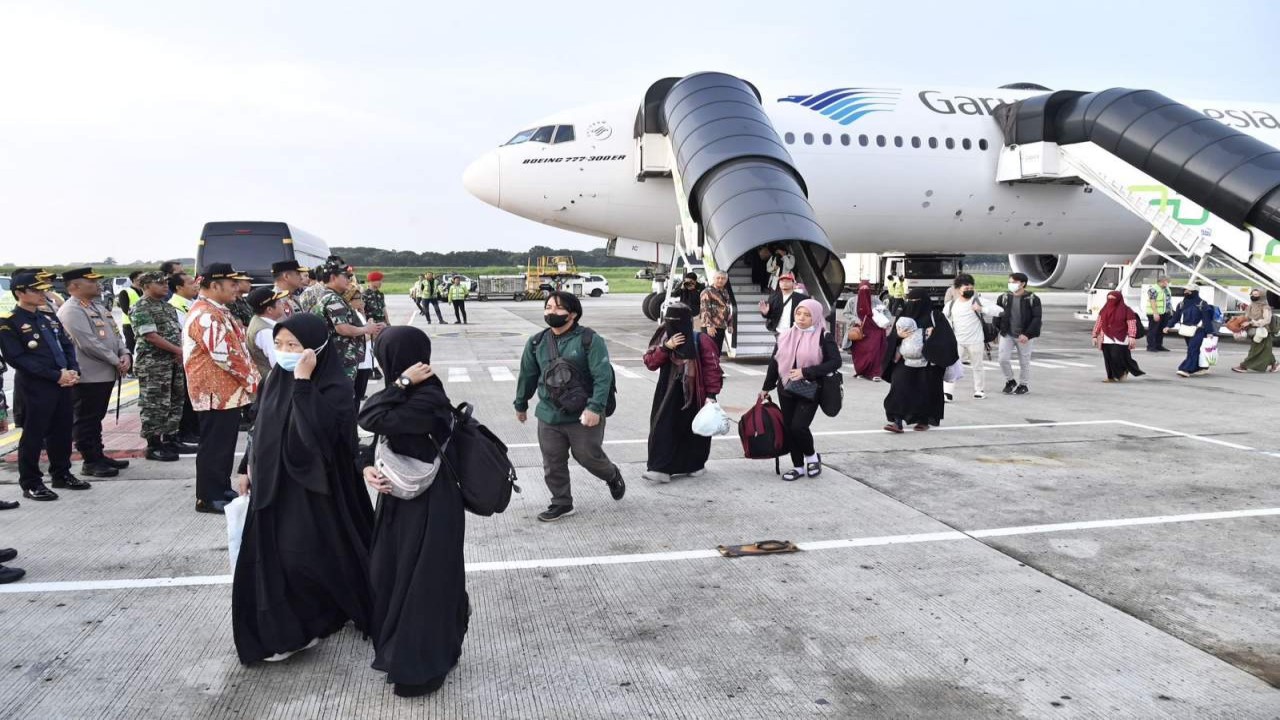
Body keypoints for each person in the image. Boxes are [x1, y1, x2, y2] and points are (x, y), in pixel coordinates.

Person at [232, 313, 373, 665]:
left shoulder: (333, 386)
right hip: (271, 484)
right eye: (279, 344)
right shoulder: (273, 380)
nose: (284, 352)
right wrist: (245, 466)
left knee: (307, 555)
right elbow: (260, 425)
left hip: (314, 487)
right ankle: (295, 628)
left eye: (293, 345)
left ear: (316, 346)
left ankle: (319, 616)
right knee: (279, 558)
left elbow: (317, 437)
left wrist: (303, 382)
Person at [358, 326, 469, 697]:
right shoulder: (405, 395)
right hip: (400, 498)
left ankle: (422, 665)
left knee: (425, 581)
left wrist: (401, 383)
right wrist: (367, 469)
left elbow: (369, 418)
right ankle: (405, 650)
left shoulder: (428, 397)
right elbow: (375, 438)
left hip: (430, 504)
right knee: (393, 574)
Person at [514, 291, 624, 522]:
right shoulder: (536, 343)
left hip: (584, 412)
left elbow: (602, 377)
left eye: (557, 308)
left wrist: (595, 408)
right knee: (552, 462)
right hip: (549, 414)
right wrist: (521, 404)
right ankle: (561, 503)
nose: (551, 311)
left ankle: (612, 474)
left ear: (572, 314)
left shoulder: (589, 340)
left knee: (587, 456)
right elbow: (527, 375)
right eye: (548, 307)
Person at [0, 270, 85, 500]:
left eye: (43, 289)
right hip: (35, 387)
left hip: (62, 383)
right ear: (19, 292)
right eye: (36, 290)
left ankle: (61, 473)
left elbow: (66, 345)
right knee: (33, 436)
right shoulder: (9, 322)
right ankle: (31, 482)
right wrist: (55, 375)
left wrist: (72, 370)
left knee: (62, 431)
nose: (42, 294)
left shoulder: (47, 316)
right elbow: (17, 358)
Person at [185, 263, 261, 513]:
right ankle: (208, 497)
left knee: (224, 444)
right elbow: (225, 354)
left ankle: (220, 488)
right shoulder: (206, 314)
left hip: (225, 392)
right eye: (231, 284)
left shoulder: (218, 310)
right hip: (213, 392)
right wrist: (253, 381)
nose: (236, 288)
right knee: (214, 446)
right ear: (214, 285)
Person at [57, 267, 132, 478]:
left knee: (96, 417)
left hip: (105, 373)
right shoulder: (72, 310)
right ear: (74, 287)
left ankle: (98, 454)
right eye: (91, 282)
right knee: (86, 419)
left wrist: (125, 353)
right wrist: (115, 360)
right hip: (88, 375)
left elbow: (115, 335)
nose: (97, 284)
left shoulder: (97, 306)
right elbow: (87, 343)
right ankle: (90, 460)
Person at [760, 298, 841, 481]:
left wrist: (807, 372)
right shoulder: (785, 335)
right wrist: (766, 387)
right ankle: (798, 467)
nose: (801, 318)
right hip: (786, 388)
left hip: (810, 389)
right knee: (789, 428)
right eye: (798, 313)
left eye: (807, 315)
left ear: (816, 316)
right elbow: (775, 362)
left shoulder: (823, 336)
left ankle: (812, 457)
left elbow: (835, 362)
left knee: (799, 427)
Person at [642, 303, 723, 483]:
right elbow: (650, 362)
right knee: (663, 428)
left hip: (696, 393)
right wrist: (666, 347)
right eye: (670, 320)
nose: (673, 325)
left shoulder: (701, 340)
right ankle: (659, 468)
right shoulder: (662, 337)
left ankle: (695, 465)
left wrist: (711, 395)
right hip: (668, 392)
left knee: (696, 431)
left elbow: (713, 368)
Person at [131, 272, 190, 461]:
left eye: (166, 282)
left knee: (174, 400)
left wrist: (179, 351)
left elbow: (177, 331)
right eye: (160, 283)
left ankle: (171, 438)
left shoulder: (166, 307)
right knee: (154, 404)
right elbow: (150, 336)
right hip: (153, 364)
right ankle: (153, 445)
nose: (165, 286)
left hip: (172, 362)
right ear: (146, 285)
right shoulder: (141, 307)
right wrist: (178, 351)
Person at [883, 288, 956, 433]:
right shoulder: (903, 315)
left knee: (925, 392)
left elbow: (947, 338)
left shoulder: (935, 316)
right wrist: (898, 336)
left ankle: (923, 420)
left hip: (929, 362)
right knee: (899, 389)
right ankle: (897, 422)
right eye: (910, 301)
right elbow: (892, 338)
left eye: (916, 302)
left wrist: (933, 335)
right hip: (905, 360)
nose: (912, 304)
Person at [313, 259, 383, 381]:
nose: (349, 280)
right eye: (346, 276)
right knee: (343, 394)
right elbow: (343, 329)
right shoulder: (333, 298)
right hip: (341, 357)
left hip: (338, 356)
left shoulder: (328, 295)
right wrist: (366, 329)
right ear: (333, 277)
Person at [943, 273, 989, 399]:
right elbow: (944, 316)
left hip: (975, 339)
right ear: (958, 289)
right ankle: (948, 392)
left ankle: (979, 390)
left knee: (977, 365)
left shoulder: (976, 298)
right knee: (951, 365)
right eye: (966, 288)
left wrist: (981, 309)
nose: (969, 290)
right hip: (958, 338)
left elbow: (994, 310)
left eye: (971, 288)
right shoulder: (951, 301)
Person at [995, 272, 1042, 395]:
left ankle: (1023, 384)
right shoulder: (1003, 298)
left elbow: (1037, 318)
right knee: (1002, 359)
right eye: (1010, 282)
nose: (1011, 284)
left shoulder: (1033, 299)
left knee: (1024, 361)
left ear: (1023, 284)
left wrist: (1027, 334)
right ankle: (1010, 380)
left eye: (1014, 282)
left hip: (1024, 336)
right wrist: (996, 332)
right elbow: (997, 315)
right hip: (1007, 334)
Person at [1092, 291, 1145, 382]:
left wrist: (1132, 336)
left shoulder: (1127, 310)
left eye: (1113, 298)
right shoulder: (1104, 309)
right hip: (1106, 337)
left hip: (1121, 337)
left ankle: (1122, 371)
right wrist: (1094, 335)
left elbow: (1131, 323)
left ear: (1119, 299)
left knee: (1116, 356)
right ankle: (1111, 377)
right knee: (1108, 358)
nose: (1111, 300)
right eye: (1109, 298)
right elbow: (1099, 322)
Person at [844, 280, 887, 382]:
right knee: (859, 353)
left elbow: (886, 312)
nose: (864, 291)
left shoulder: (876, 301)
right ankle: (861, 371)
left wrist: (885, 322)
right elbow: (846, 313)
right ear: (858, 290)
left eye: (867, 289)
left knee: (874, 352)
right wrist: (856, 320)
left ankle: (875, 373)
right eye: (862, 289)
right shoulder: (852, 301)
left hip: (874, 331)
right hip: (859, 331)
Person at [1174, 284, 1218, 378]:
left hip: (1199, 330)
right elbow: (1176, 316)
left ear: (1195, 292)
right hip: (1187, 330)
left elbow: (1206, 319)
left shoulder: (1202, 304)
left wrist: (1209, 332)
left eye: (1189, 291)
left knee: (1192, 349)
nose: (1186, 292)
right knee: (1194, 350)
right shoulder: (1181, 304)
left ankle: (1185, 369)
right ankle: (1201, 367)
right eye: (1185, 290)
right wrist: (1168, 326)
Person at [246, 287, 289, 381]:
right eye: (279, 302)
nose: (282, 304)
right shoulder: (266, 332)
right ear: (269, 309)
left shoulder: (259, 320)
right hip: (273, 382)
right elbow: (278, 363)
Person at [1233, 289, 1277, 373]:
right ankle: (1275, 363)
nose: (1253, 296)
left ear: (1262, 296)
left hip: (1262, 332)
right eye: (1252, 294)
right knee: (1264, 350)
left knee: (1255, 350)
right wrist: (1239, 320)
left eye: (1256, 295)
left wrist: (1251, 322)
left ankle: (1244, 366)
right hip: (1253, 331)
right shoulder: (1250, 306)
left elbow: (1266, 320)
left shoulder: (1265, 307)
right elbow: (1246, 317)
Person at [349, 290, 375, 402]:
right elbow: (359, 335)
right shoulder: (350, 314)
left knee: (360, 394)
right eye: (358, 298)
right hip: (359, 360)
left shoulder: (357, 312)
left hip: (365, 357)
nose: (361, 301)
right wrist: (372, 332)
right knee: (356, 394)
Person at [699, 271, 732, 355]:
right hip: (710, 327)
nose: (720, 280)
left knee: (717, 352)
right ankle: (709, 368)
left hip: (721, 326)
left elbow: (728, 308)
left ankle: (715, 367)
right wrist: (709, 325)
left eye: (723, 278)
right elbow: (705, 309)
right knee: (709, 352)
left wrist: (730, 324)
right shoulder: (707, 292)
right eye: (718, 278)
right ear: (713, 279)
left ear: (726, 280)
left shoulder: (725, 292)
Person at [117, 270, 144, 354]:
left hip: (143, 325)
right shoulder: (125, 292)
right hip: (130, 325)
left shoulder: (145, 291)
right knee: (130, 348)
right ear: (135, 279)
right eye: (142, 278)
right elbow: (125, 310)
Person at [1145, 276, 1173, 352]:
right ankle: (1151, 346)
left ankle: (1158, 345)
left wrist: (1170, 310)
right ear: (1162, 281)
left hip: (1165, 312)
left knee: (1161, 330)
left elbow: (1167, 300)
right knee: (1153, 330)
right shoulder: (1153, 289)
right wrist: (1155, 313)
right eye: (1167, 281)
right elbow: (1152, 301)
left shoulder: (1166, 289)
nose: (1168, 283)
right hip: (1155, 313)